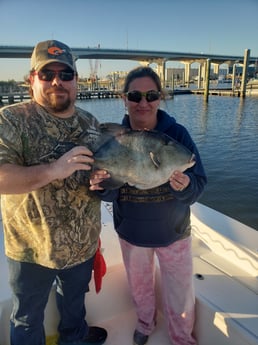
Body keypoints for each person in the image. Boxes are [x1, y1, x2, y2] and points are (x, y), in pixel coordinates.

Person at [0, 40, 108, 345]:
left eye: (66, 74)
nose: (57, 82)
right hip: (30, 251)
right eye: (47, 75)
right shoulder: (11, 119)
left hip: (82, 247)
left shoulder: (91, 123)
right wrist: (53, 170)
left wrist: (101, 180)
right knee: (26, 319)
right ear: (32, 79)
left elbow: (98, 178)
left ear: (76, 80)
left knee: (74, 313)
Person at [90, 66, 207, 345]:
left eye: (151, 95)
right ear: (124, 99)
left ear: (160, 97)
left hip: (174, 234)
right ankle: (145, 323)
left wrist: (186, 187)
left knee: (179, 293)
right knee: (140, 288)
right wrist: (97, 184)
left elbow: (199, 183)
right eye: (135, 95)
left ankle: (181, 338)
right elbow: (108, 194)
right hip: (133, 235)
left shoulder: (177, 134)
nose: (143, 102)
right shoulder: (114, 139)